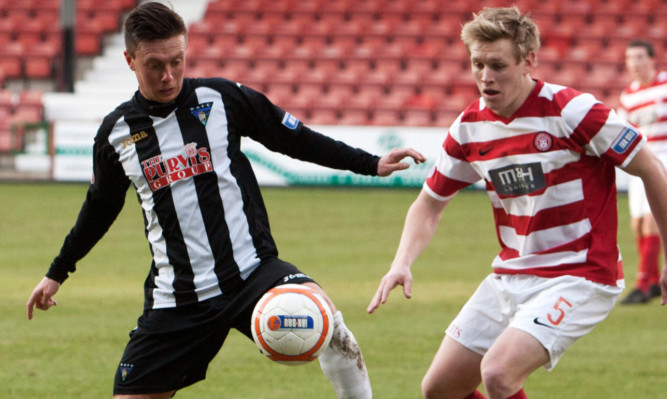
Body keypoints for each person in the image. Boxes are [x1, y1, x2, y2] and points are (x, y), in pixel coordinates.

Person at [25, 2, 425, 398]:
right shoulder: (116, 134)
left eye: (177, 61)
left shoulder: (221, 98)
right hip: (178, 294)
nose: (168, 75)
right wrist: (58, 271)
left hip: (252, 273)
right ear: (130, 60)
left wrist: (371, 163)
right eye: (154, 65)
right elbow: (100, 208)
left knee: (329, 324)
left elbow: (295, 138)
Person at [367, 7, 667, 399]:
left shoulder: (572, 111)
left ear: (529, 61)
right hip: (511, 274)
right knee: (440, 389)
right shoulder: (468, 128)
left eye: (497, 65)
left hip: (580, 275)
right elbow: (429, 203)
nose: (485, 76)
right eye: (477, 64)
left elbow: (651, 169)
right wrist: (401, 263)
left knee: (498, 374)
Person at [617, 39, 667, 304]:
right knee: (637, 224)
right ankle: (657, 280)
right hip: (641, 158)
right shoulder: (629, 95)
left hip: (664, 156)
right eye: (630, 58)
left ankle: (642, 285)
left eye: (639, 57)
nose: (634, 63)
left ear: (651, 59)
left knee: (651, 219)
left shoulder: (665, 85)